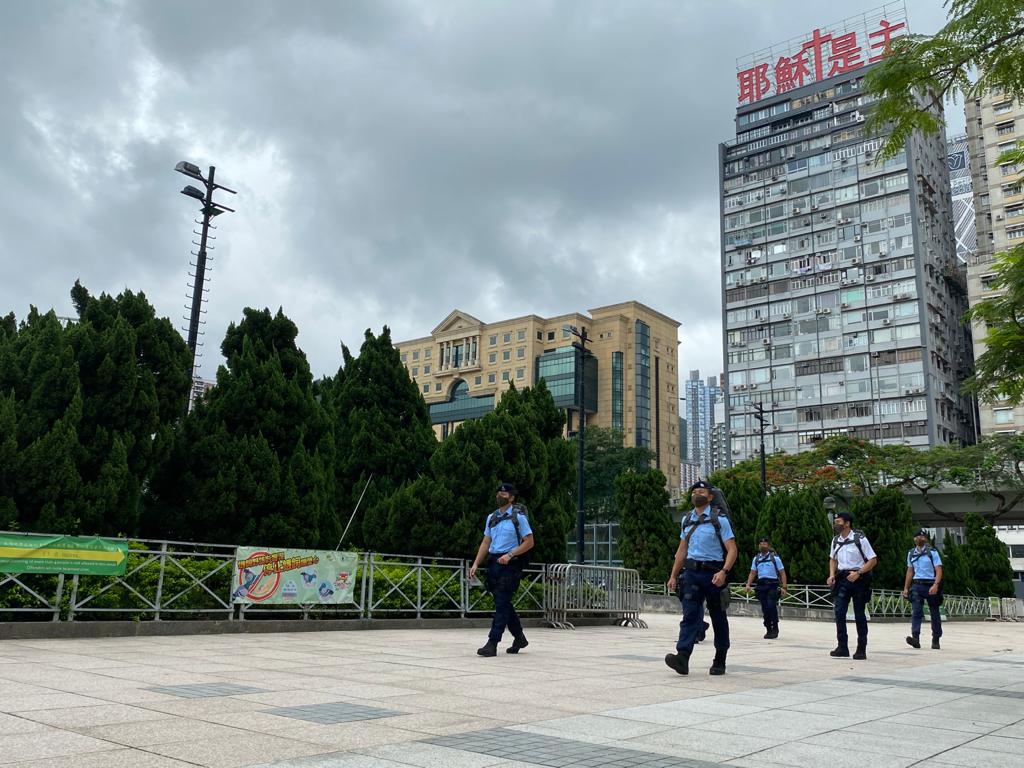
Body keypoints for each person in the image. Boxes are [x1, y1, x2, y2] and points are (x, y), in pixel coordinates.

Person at [664, 480, 738, 677]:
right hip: (691, 574)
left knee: (718, 617)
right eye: (694, 491)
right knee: (689, 616)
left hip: (714, 573)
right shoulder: (686, 519)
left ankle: (720, 659)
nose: (697, 493)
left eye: (702, 491)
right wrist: (673, 575)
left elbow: (732, 550)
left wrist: (724, 571)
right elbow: (681, 550)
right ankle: (683, 656)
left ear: (710, 497)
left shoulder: (719, 520)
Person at [469, 482, 534, 657]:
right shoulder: (492, 517)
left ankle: (492, 642)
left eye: (504, 494)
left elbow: (529, 542)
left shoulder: (518, 517)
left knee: (501, 604)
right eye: (499, 493)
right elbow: (486, 542)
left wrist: (511, 554)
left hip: (510, 565)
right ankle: (519, 637)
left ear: (512, 497)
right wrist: (476, 563)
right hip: (494, 563)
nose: (500, 496)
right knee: (503, 603)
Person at [827, 511, 878, 660]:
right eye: (835, 522)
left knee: (859, 614)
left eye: (838, 521)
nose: (836, 524)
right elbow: (832, 559)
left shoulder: (859, 539)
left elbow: (873, 560)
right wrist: (831, 574)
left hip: (859, 579)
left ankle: (861, 648)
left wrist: (859, 573)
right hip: (842, 579)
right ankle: (842, 646)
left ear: (847, 523)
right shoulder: (835, 540)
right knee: (839, 612)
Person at [902, 528, 943, 650]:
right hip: (917, 585)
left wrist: (936, 585)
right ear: (914, 539)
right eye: (918, 536)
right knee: (916, 611)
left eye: (923, 536)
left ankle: (936, 638)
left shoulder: (933, 552)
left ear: (925, 539)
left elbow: (939, 569)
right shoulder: (911, 553)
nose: (920, 538)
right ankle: (915, 638)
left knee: (934, 612)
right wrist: (906, 588)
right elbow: (910, 571)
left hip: (931, 584)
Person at [744, 536, 788, 639]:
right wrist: (748, 584)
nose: (762, 545)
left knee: (771, 605)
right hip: (761, 586)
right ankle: (768, 628)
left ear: (768, 546)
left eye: (764, 544)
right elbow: (752, 573)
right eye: (760, 544)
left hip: (773, 585)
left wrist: (784, 587)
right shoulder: (756, 559)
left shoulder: (775, 559)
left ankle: (775, 627)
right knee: (765, 608)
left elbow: (782, 573)